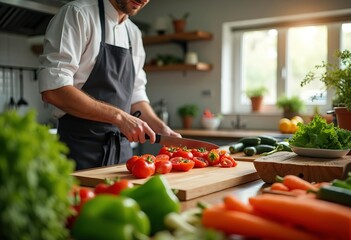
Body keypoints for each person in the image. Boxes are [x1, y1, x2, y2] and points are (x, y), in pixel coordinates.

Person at [38, 0, 181, 170]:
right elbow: (54, 90)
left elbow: (136, 95)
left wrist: (162, 129)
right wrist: (120, 117)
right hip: (78, 153)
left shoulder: (133, 33)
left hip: (124, 159)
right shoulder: (78, 14)